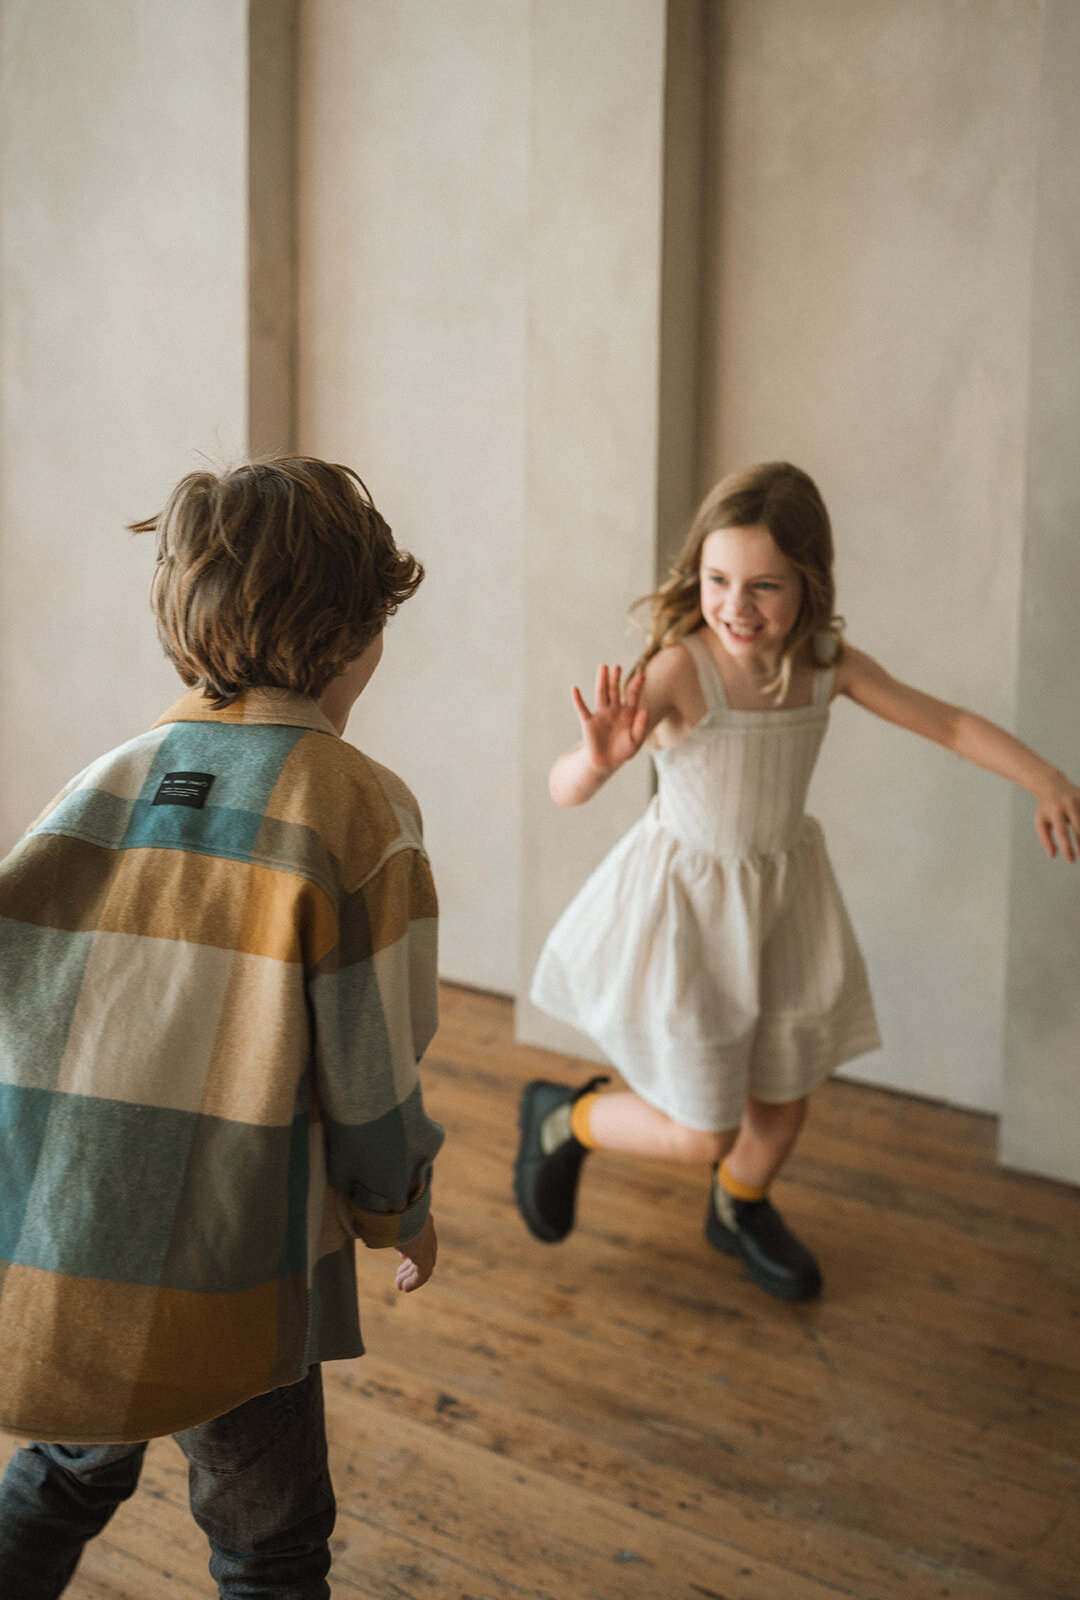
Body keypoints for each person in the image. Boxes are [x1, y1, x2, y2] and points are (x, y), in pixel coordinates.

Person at [0, 457, 444, 1598]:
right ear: (353, 635)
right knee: (271, 1541)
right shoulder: (359, 808)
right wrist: (399, 1208)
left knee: (63, 1471)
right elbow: (373, 1065)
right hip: (230, 1271)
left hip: (67, 1255)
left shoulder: (97, 782)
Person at [516, 461, 1080, 1303]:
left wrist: (1044, 778)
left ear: (809, 584)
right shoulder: (682, 670)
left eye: (765, 586)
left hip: (782, 904)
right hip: (690, 914)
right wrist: (593, 763)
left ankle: (738, 1210)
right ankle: (564, 1118)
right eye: (718, 580)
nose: (737, 607)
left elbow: (950, 721)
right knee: (705, 1130)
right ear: (698, 575)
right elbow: (564, 788)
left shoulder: (825, 663)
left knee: (782, 1103)